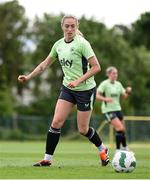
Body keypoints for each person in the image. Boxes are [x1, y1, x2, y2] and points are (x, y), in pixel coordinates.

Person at [18, 15, 109, 166]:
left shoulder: (83, 44)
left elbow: (96, 67)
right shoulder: (58, 45)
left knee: (83, 129)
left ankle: (102, 148)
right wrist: (28, 77)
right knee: (56, 122)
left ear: (76, 27)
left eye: (73, 26)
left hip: (85, 90)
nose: (70, 29)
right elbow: (44, 65)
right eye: (67, 26)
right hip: (68, 88)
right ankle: (47, 159)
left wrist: (78, 81)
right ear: (62, 27)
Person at [96, 66, 132, 151]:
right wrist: (105, 99)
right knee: (119, 128)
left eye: (116, 73)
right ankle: (118, 150)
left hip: (118, 109)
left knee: (123, 130)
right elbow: (97, 96)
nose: (115, 75)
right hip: (108, 110)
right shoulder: (104, 84)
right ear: (108, 74)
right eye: (113, 73)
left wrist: (128, 91)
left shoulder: (118, 84)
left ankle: (125, 148)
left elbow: (125, 96)